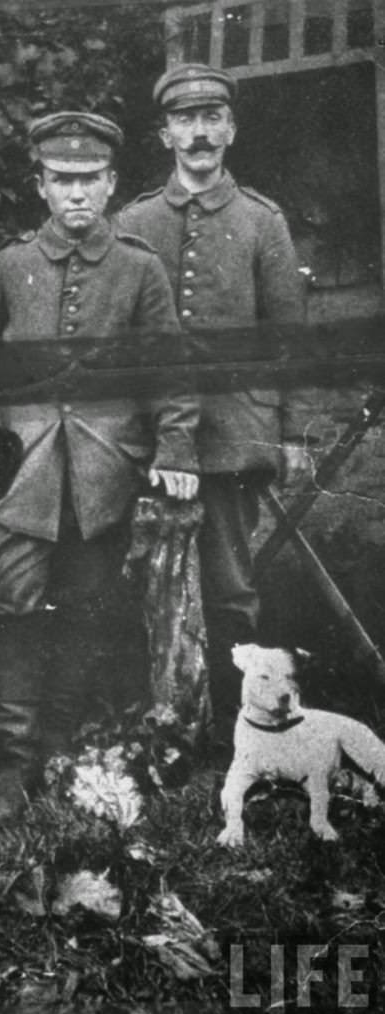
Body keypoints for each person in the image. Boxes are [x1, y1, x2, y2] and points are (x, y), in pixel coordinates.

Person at [0, 111, 199, 826]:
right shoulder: (5, 267)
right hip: (17, 481)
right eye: (61, 179)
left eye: (89, 179)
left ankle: (60, 744)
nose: (76, 194)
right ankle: (15, 760)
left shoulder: (138, 267)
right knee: (13, 613)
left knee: (87, 613)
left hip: (101, 477)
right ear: (40, 184)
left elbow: (173, 370)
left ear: (112, 182)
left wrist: (177, 448)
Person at [119, 63, 309, 743]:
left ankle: (238, 722)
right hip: (149, 436)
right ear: (165, 132)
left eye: (211, 119)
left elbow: (286, 341)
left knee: (231, 587)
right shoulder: (134, 220)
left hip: (232, 434)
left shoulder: (263, 221)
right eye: (184, 120)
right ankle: (162, 710)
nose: (198, 134)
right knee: (145, 575)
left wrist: (289, 434)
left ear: (230, 127)